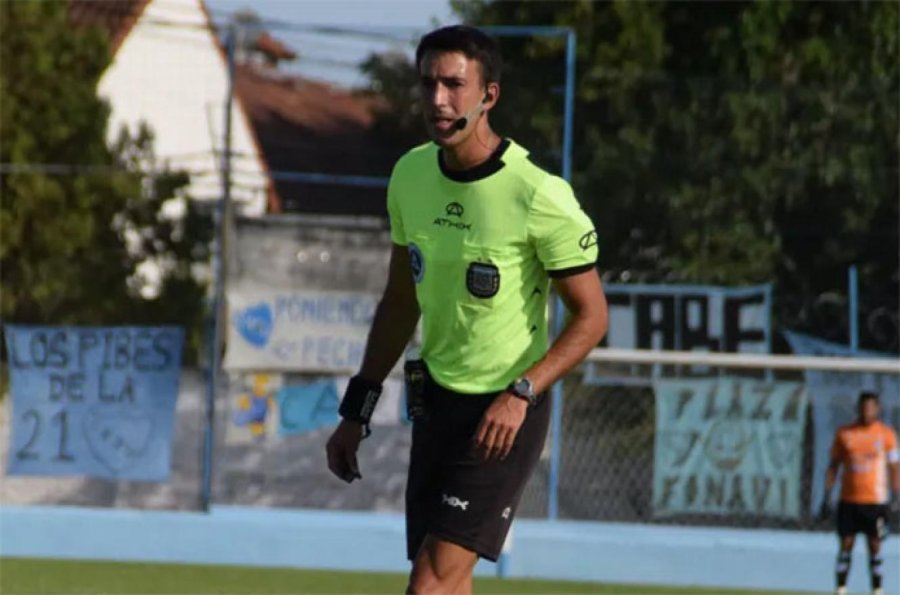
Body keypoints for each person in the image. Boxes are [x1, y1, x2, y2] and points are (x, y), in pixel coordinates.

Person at [325, 24, 608, 595]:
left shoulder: (538, 194)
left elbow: (591, 318)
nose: (438, 99)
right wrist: (357, 409)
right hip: (436, 402)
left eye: (454, 84)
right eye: (428, 83)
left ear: (489, 95)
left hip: (505, 416)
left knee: (429, 583)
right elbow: (400, 301)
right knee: (449, 584)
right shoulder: (409, 175)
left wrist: (522, 393)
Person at [819, 391, 900, 595]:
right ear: (858, 409)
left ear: (877, 409)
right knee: (846, 543)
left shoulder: (886, 434)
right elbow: (833, 465)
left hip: (875, 501)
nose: (867, 412)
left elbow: (894, 466)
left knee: (875, 545)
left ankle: (877, 589)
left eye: (871, 408)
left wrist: (896, 493)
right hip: (849, 500)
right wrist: (827, 494)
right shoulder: (845, 433)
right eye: (864, 408)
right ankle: (841, 588)